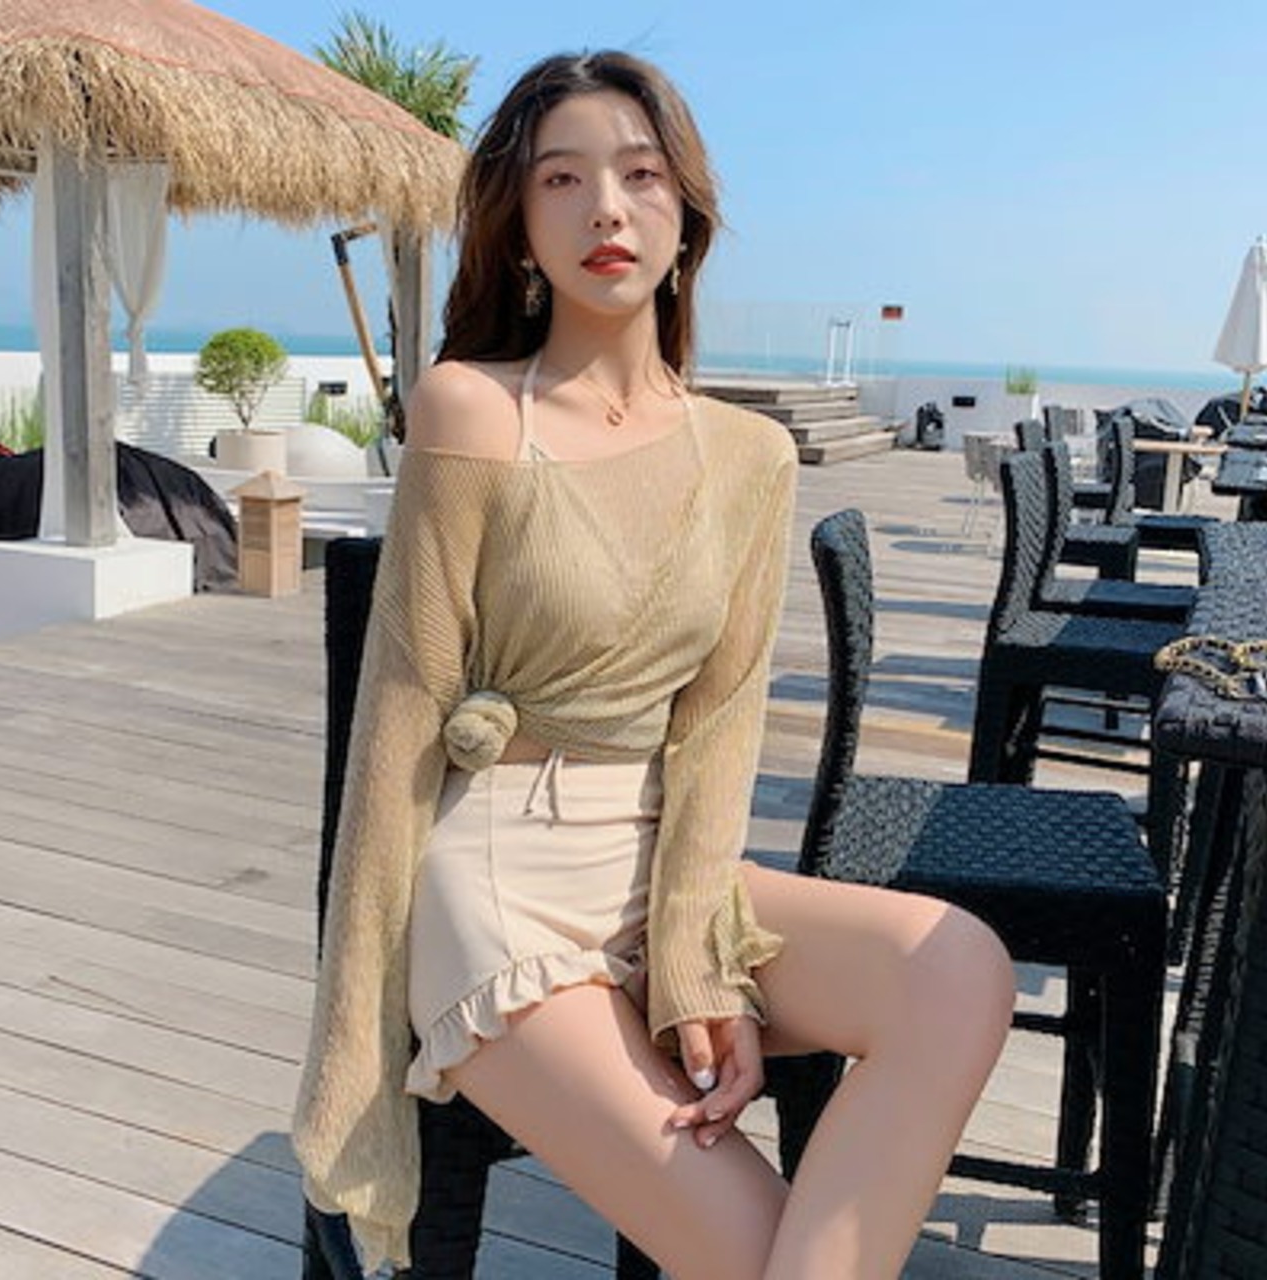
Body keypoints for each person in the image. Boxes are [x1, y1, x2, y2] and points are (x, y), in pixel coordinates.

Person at [293, 49, 1014, 1280]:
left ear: (686, 216)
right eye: (560, 179)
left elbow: (719, 724)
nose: (604, 210)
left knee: (954, 966)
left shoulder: (747, 456)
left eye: (638, 175)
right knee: (756, 1250)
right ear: (521, 228)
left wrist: (692, 960)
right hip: (501, 882)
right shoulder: (472, 409)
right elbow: (398, 723)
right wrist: (350, 1045)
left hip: (664, 860)